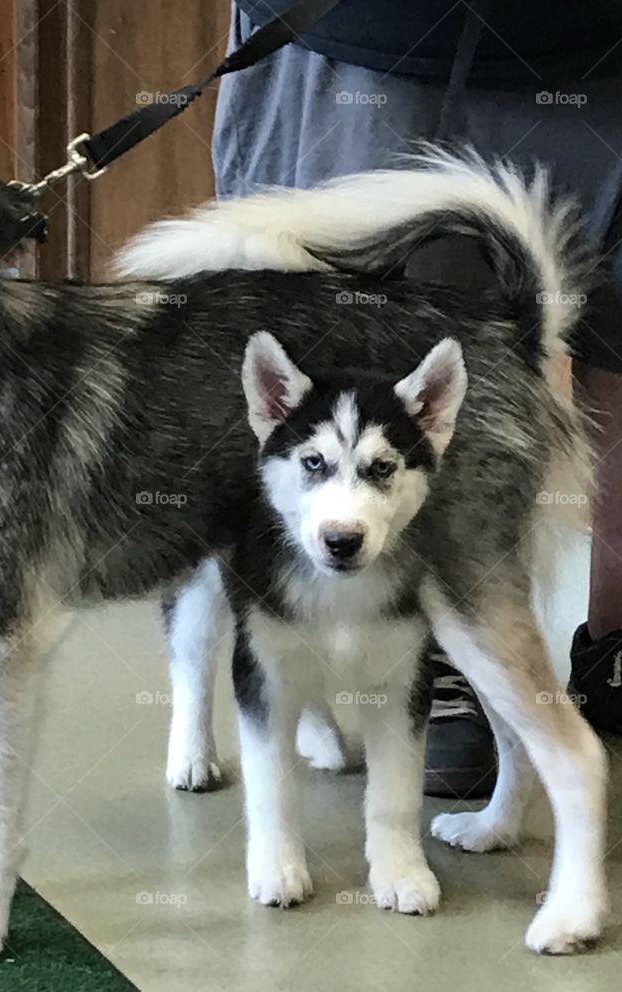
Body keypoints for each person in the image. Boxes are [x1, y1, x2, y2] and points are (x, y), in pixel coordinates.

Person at [214, 0, 622, 798]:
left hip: (602, 39)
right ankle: (415, 641)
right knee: (342, 327)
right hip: (368, 35)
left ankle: (613, 645)